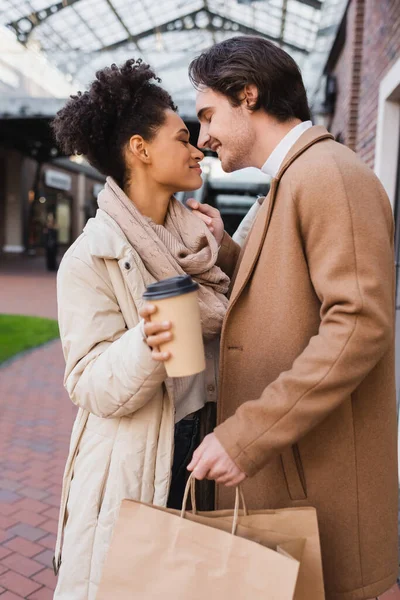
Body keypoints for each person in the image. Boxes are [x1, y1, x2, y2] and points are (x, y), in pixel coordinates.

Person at [143, 36, 398, 600]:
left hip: (317, 477)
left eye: (208, 114)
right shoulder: (294, 179)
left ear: (249, 96)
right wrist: (230, 250)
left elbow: (359, 325)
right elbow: (294, 288)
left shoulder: (328, 176)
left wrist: (248, 435)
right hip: (297, 471)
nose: (203, 137)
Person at [51, 58, 228, 600]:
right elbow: (87, 382)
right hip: (135, 464)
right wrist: (148, 341)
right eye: (183, 137)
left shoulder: (200, 241)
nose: (199, 149)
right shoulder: (90, 258)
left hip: (208, 450)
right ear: (141, 149)